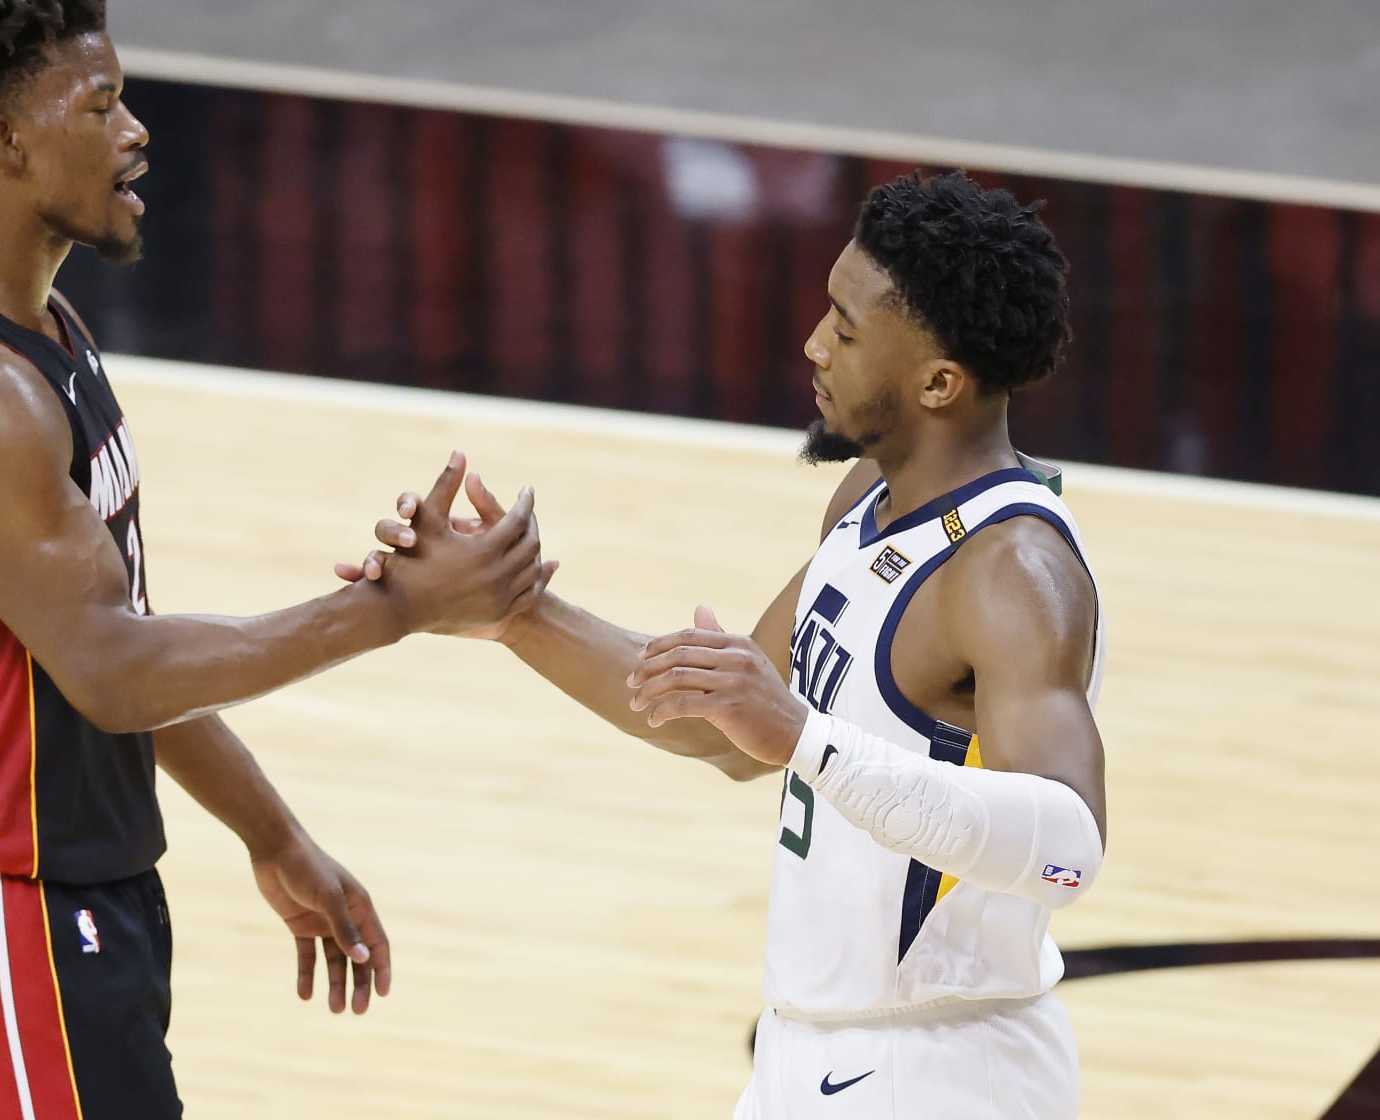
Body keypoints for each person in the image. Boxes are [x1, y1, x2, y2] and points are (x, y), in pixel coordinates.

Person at [0, 0, 548, 1119]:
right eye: (99, 103)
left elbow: (122, 643)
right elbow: (116, 675)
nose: (135, 130)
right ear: (6, 143)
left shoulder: (47, 333)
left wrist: (272, 834)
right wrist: (397, 607)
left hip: (87, 896)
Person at [342, 171, 1106, 1119]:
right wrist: (513, 613)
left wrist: (804, 739)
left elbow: (1067, 852)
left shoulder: (1013, 575)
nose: (813, 343)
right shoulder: (869, 498)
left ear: (940, 381)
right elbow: (718, 728)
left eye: (847, 329)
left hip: (945, 1074)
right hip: (812, 1052)